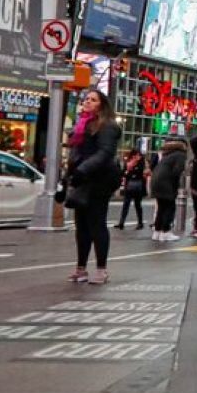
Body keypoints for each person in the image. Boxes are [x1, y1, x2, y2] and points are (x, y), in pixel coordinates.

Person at [65, 88, 122, 284]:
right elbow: (74, 156)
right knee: (81, 225)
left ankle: (101, 269)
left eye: (93, 99)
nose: (87, 102)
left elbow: (105, 153)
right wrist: (66, 181)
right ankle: (81, 268)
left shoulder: (107, 126)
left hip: (100, 179)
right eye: (86, 99)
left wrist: (83, 170)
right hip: (83, 178)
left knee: (96, 222)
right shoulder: (81, 125)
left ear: (102, 104)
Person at [148, 139, 186, 241]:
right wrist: (175, 186)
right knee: (170, 207)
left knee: (161, 208)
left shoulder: (167, 156)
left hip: (156, 182)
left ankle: (157, 232)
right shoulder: (180, 155)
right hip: (167, 183)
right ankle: (166, 231)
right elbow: (177, 171)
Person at [116, 149, 147, 230]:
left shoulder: (141, 163)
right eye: (136, 155)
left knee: (138, 205)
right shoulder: (128, 163)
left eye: (138, 155)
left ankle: (140, 223)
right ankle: (121, 223)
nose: (137, 157)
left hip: (138, 187)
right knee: (126, 205)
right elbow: (123, 173)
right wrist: (129, 170)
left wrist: (130, 170)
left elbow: (139, 173)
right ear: (132, 155)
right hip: (129, 187)